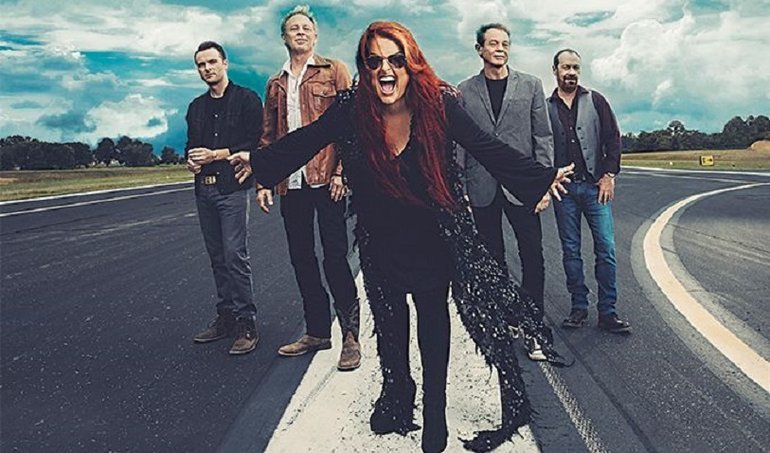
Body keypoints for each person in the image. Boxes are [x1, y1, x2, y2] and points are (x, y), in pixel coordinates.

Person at [230, 22, 572, 453]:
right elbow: (308, 139)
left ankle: (435, 413)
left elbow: (485, 146)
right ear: (364, 68)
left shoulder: (438, 104)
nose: (385, 70)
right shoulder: (352, 108)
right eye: (374, 62)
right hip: (380, 241)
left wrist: (539, 178)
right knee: (391, 330)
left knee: (432, 323)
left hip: (432, 238)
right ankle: (398, 397)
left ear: (411, 64)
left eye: (395, 60)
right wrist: (259, 162)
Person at [258, 5, 361, 370]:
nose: (300, 32)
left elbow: (351, 124)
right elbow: (269, 136)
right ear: (284, 37)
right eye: (293, 28)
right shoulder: (275, 83)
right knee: (301, 257)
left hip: (327, 179)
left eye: (305, 27)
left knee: (335, 257)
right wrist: (264, 179)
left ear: (315, 35)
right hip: (292, 182)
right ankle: (317, 331)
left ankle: (350, 336)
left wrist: (342, 173)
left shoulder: (334, 71)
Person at [457, 23, 554, 361]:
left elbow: (543, 138)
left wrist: (542, 185)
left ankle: (534, 328)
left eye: (505, 44)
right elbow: (459, 142)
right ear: (479, 49)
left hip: (522, 187)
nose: (500, 49)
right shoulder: (464, 90)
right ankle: (505, 320)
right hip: (481, 185)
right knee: (492, 259)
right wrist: (461, 187)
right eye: (493, 43)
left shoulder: (531, 85)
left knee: (533, 256)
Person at [546, 49, 631, 334]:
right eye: (565, 67)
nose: (571, 72)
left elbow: (613, 139)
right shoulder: (545, 107)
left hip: (596, 188)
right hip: (565, 191)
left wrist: (609, 175)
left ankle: (608, 312)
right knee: (571, 251)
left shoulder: (596, 100)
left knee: (606, 248)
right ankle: (578, 308)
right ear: (555, 70)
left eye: (575, 68)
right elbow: (541, 146)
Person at [186, 41, 263, 355]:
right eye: (201, 65)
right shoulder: (196, 107)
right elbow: (191, 145)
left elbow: (255, 142)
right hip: (203, 190)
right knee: (217, 257)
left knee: (234, 255)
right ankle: (227, 317)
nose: (207, 69)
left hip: (232, 188)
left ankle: (247, 322)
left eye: (212, 62)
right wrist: (191, 161)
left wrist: (215, 155)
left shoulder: (247, 100)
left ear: (225, 63)